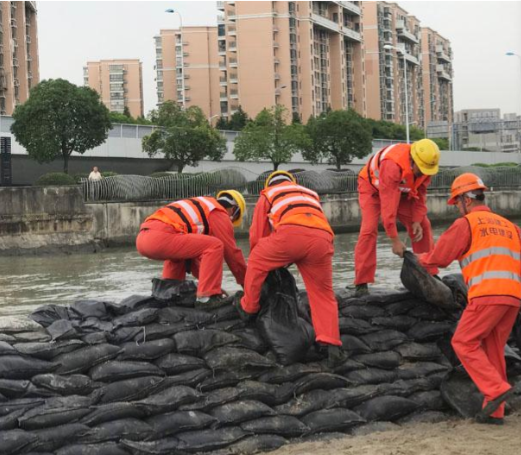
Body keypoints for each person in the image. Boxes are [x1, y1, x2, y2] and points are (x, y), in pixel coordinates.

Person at [417, 173, 521, 425]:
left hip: (487, 294)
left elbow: (440, 257)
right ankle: (495, 411)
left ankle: (495, 389)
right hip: (513, 297)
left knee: (463, 342)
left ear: (465, 199)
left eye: (457, 203)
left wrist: (416, 261)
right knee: (493, 350)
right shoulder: (510, 227)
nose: (457, 209)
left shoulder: (468, 224)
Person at [234, 170, 346, 365]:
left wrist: (266, 260)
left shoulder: (269, 193)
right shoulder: (309, 193)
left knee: (256, 260)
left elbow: (257, 234)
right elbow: (311, 225)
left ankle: (249, 307)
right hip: (322, 239)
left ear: (270, 183)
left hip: (290, 235)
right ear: (292, 181)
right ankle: (331, 343)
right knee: (323, 294)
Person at [353, 138, 441, 296]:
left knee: (424, 225)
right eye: (420, 169)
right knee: (368, 230)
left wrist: (416, 220)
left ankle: (429, 273)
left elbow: (420, 195)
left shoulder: (425, 168)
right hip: (372, 188)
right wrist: (395, 240)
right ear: (412, 160)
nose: (423, 173)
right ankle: (361, 283)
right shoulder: (392, 165)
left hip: (400, 190)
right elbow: (388, 210)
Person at [136, 190, 247, 309]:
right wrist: (248, 285)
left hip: (143, 238)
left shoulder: (203, 206)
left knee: (179, 257)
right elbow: (232, 255)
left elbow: (195, 265)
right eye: (233, 219)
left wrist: (214, 287)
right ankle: (206, 299)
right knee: (215, 245)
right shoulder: (218, 211)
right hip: (160, 236)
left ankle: (169, 294)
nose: (231, 222)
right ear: (233, 210)